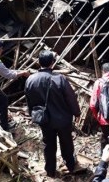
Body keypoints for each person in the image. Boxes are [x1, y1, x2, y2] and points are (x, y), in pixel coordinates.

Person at [24, 50, 84, 178]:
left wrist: (33, 115)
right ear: (52, 63)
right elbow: (70, 98)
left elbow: (29, 101)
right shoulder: (59, 79)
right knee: (67, 143)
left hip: (44, 119)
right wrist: (77, 112)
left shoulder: (30, 80)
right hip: (63, 119)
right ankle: (71, 165)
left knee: (48, 145)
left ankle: (50, 170)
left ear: (39, 63)